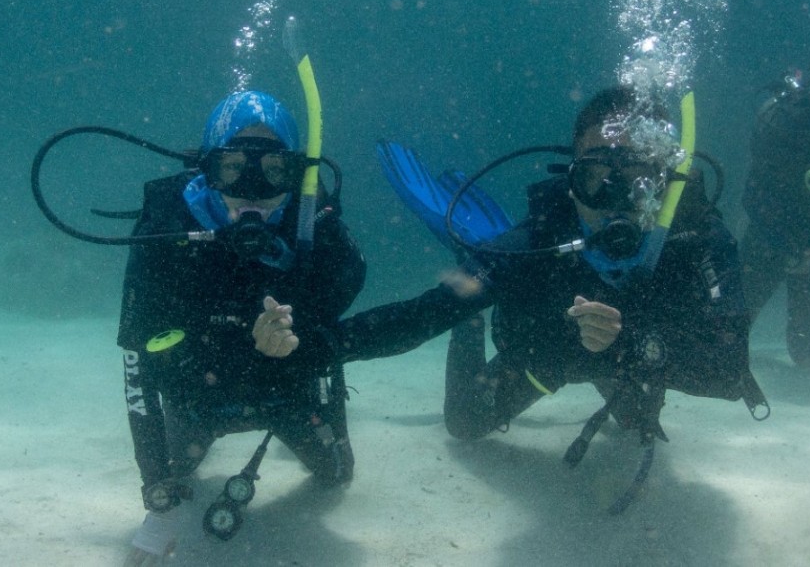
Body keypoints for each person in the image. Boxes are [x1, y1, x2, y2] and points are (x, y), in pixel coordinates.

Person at [322, 85, 765, 509]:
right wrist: (322, 344)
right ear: (572, 182)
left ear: (664, 181)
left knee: (635, 425)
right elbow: (426, 313)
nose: (614, 202)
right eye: (596, 178)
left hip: (635, 359)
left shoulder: (698, 236)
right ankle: (473, 287)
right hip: (552, 356)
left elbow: (728, 372)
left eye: (636, 180)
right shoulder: (544, 234)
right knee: (464, 424)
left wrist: (626, 342)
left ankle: (614, 371)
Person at [118, 90, 365, 565]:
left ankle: (328, 407)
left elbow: (341, 309)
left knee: (336, 475)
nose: (252, 188)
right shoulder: (166, 227)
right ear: (208, 168)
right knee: (173, 473)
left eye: (273, 169)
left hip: (288, 395)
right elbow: (136, 363)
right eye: (232, 167)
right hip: (199, 402)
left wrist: (304, 338)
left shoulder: (314, 227)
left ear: (296, 172)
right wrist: (156, 493)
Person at [741, 33, 810, 367]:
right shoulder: (782, 120)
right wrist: (790, 246)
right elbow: (755, 195)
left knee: (806, 354)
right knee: (724, 329)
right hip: (770, 242)